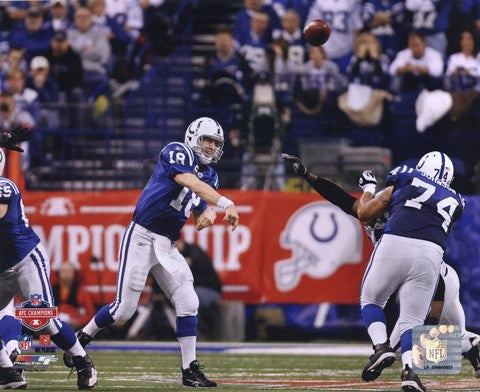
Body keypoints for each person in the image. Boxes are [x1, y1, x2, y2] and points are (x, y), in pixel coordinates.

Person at [64, 117, 239, 388]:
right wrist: (224, 203)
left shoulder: (211, 176)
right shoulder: (176, 151)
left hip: (167, 244)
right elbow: (187, 181)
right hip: (142, 236)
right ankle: (82, 337)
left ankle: (189, 369)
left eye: (216, 143)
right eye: (207, 140)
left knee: (188, 301)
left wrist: (208, 213)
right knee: (124, 311)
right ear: (193, 137)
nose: (211, 147)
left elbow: (196, 203)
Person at [282, 152, 480, 381]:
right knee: (414, 348)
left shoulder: (403, 194)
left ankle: (467, 344)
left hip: (439, 279)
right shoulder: (411, 199)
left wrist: (431, 325)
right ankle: (466, 346)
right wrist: (309, 176)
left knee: (407, 349)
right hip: (425, 269)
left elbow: (363, 209)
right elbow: (346, 202)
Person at [0, 127, 97, 390]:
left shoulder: (5, 187)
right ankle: (10, 372)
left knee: (41, 318)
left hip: (26, 261)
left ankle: (81, 360)